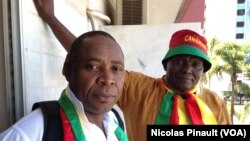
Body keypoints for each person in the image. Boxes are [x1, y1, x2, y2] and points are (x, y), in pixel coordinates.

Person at [33, 0, 232, 141]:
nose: (188, 69)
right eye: (180, 61)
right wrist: (51, 18)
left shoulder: (215, 103)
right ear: (166, 64)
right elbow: (87, 54)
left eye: (196, 64)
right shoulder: (139, 87)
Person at [0, 31, 129, 141]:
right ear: (67, 70)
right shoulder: (36, 128)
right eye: (92, 67)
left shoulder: (114, 121)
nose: (107, 79)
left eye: (116, 69)